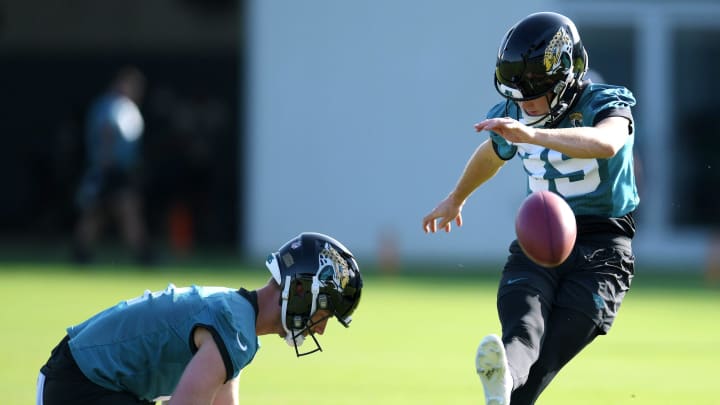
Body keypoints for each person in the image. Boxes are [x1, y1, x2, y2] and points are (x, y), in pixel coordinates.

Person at [422, 12, 638, 405]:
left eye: (534, 93)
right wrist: (457, 197)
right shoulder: (518, 112)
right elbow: (492, 153)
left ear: (567, 77)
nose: (526, 104)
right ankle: (503, 379)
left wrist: (534, 135)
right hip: (537, 241)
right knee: (522, 330)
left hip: (602, 249)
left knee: (547, 359)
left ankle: (510, 389)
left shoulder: (605, 102)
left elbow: (606, 142)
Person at [37, 232, 363, 405]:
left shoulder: (238, 321)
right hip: (80, 385)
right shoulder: (235, 328)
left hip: (81, 377)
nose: (320, 327)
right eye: (324, 312)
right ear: (302, 291)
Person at [72, 66, 152, 264]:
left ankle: (80, 253)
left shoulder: (113, 104)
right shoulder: (115, 105)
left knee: (98, 213)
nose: (135, 90)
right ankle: (143, 255)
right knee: (125, 210)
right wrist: (106, 164)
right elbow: (108, 131)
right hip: (111, 169)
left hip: (112, 169)